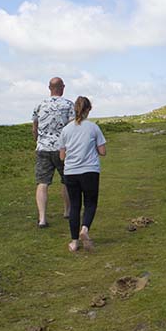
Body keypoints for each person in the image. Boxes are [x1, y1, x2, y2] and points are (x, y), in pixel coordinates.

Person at [59, 96, 106, 252]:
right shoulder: (93, 128)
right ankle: (84, 229)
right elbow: (103, 151)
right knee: (90, 203)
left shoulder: (66, 130)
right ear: (88, 110)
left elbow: (62, 156)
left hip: (71, 172)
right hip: (90, 170)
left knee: (75, 206)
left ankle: (74, 242)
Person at [32, 77, 75, 228]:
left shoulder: (39, 105)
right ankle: (67, 211)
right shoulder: (69, 105)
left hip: (43, 148)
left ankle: (42, 218)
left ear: (49, 88)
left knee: (42, 183)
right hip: (62, 148)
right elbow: (72, 128)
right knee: (66, 180)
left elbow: (34, 128)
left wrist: (38, 142)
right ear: (62, 87)